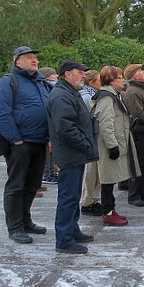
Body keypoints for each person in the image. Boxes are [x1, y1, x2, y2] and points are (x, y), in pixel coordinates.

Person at [0, 46, 50, 243]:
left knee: (33, 184)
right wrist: (15, 138)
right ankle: (15, 227)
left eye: (35, 57)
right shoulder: (8, 82)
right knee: (16, 186)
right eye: (29, 57)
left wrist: (49, 137)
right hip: (20, 143)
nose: (35, 60)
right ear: (17, 61)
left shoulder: (40, 82)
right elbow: (1, 113)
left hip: (39, 142)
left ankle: (26, 220)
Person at [47, 59, 98, 254]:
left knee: (73, 195)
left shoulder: (69, 92)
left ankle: (72, 230)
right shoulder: (61, 95)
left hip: (75, 153)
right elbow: (65, 127)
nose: (83, 75)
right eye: (80, 72)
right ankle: (64, 239)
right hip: (70, 154)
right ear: (67, 74)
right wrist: (85, 144)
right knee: (68, 197)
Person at [91, 65, 140, 226]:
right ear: (111, 80)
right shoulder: (106, 98)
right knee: (108, 180)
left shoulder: (113, 95)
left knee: (110, 179)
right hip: (109, 146)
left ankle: (110, 209)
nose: (122, 81)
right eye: (119, 77)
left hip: (115, 144)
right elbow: (106, 124)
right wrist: (112, 146)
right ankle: (108, 212)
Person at [123, 63, 144, 207]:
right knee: (138, 164)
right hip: (138, 133)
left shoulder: (141, 89)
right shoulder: (133, 92)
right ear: (135, 75)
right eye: (141, 71)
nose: (143, 72)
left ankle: (143, 192)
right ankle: (134, 194)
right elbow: (137, 113)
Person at [79, 70, 103, 216]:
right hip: (90, 138)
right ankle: (87, 202)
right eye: (99, 80)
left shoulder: (92, 94)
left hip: (93, 137)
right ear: (91, 82)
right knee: (90, 172)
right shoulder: (88, 96)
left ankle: (93, 200)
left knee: (94, 172)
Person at [39, 67, 59, 184]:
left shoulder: (50, 88)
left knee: (51, 150)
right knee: (47, 151)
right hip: (45, 125)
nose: (56, 76)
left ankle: (51, 172)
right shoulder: (45, 89)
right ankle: (46, 174)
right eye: (53, 74)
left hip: (50, 124)